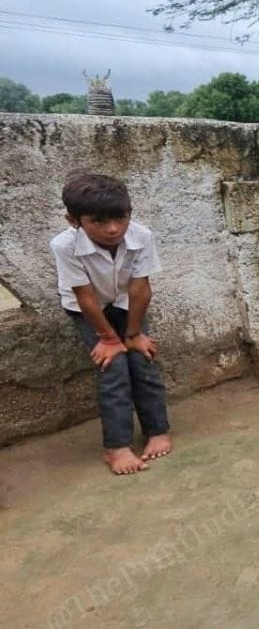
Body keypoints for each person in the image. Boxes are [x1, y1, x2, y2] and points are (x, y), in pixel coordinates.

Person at [50, 172, 171, 475]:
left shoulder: (141, 236)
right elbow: (85, 297)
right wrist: (109, 339)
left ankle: (157, 430)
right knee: (113, 367)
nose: (113, 228)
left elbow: (141, 288)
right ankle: (115, 447)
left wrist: (132, 334)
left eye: (121, 218)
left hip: (127, 304)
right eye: (98, 222)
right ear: (73, 220)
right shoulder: (64, 245)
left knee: (142, 359)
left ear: (130, 212)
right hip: (87, 309)